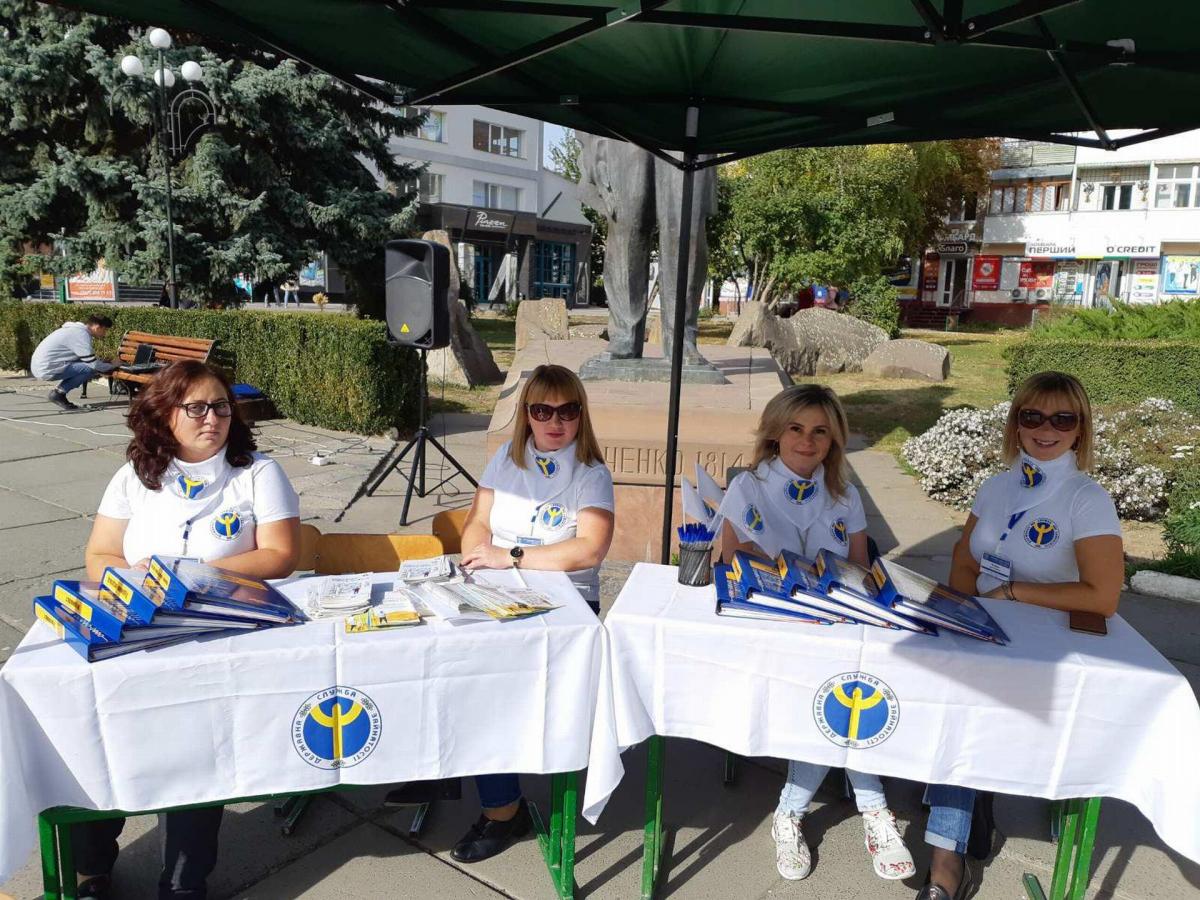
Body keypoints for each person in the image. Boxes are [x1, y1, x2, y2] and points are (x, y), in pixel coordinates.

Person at [78, 360, 301, 899]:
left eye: (221, 406)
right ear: (164, 414)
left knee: (197, 753)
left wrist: (191, 576)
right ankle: (90, 868)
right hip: (140, 632)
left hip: (220, 635)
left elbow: (281, 555)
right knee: (106, 742)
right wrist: (139, 582)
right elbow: (100, 554)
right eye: (196, 407)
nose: (212, 418)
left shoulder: (257, 472)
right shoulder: (135, 476)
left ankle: (183, 882)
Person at [918, 371, 1123, 900]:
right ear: (1016, 424)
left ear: (1080, 429)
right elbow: (965, 559)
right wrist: (959, 616)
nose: (1046, 428)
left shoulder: (1086, 498)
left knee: (964, 715)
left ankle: (946, 863)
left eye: (1062, 418)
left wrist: (1013, 593)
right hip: (986, 631)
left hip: (1045, 652)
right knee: (939, 689)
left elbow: (1103, 597)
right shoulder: (996, 486)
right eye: (1032, 415)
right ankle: (959, 824)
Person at [718, 384, 915, 883]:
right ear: (775, 432)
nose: (807, 441)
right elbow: (734, 561)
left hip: (834, 625)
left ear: (834, 441)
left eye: (820, 432)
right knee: (840, 691)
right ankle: (873, 808)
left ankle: (794, 811)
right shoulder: (748, 488)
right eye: (796, 428)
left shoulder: (844, 496)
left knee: (852, 685)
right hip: (775, 626)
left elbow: (859, 569)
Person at [434, 363, 614, 863]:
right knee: (447, 667)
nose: (555, 422)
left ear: (581, 415)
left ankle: (502, 810)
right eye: (542, 411)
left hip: (564, 603)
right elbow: (477, 522)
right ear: (526, 414)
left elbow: (589, 550)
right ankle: (460, 782)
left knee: (484, 688)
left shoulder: (592, 473)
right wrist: (479, 557)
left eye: (567, 411)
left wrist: (510, 557)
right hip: (498, 592)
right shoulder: (505, 460)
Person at [30, 314, 114, 410]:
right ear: (97, 327)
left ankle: (58, 393)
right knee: (91, 369)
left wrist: (104, 363)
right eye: (105, 330)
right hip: (46, 369)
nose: (105, 334)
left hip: (40, 366)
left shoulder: (75, 330)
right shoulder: (81, 335)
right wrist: (112, 365)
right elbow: (93, 365)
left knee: (91, 366)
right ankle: (58, 394)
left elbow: (85, 358)